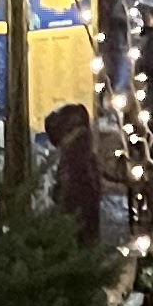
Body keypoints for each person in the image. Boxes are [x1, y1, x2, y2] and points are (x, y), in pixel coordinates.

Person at [44, 97, 105, 245]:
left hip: (75, 227)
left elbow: (69, 196)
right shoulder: (84, 155)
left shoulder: (74, 159)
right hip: (84, 226)